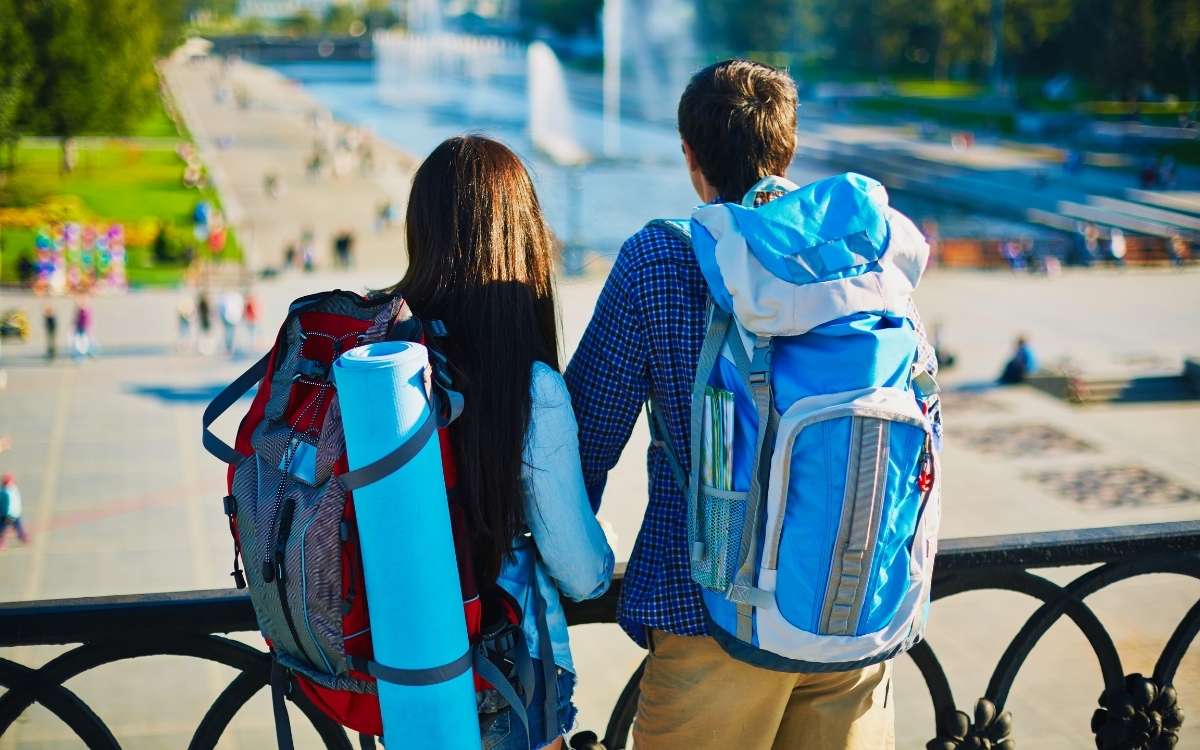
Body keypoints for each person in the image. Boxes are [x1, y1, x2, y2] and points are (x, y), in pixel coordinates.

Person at [565, 60, 933, 750]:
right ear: (788, 148)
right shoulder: (867, 257)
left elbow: (584, 441)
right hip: (851, 617)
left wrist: (563, 570)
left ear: (691, 158)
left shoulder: (660, 259)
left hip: (711, 624)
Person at [385, 136, 613, 750]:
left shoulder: (388, 361)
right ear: (522, 238)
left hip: (401, 668)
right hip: (503, 677)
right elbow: (580, 569)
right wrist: (603, 567)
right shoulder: (529, 388)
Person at [0, 473, 28, 549]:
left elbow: (4, 506)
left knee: (2, 528)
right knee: (18, 525)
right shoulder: (13, 489)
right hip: (15, 513)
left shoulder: (4, 492)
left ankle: (1, 543)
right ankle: (23, 537)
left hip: (8, 515)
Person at [218, 289, 244, 357]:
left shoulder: (225, 300)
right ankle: (230, 348)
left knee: (229, 334)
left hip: (230, 318)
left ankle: (230, 348)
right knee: (230, 334)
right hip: (232, 319)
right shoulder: (232, 300)